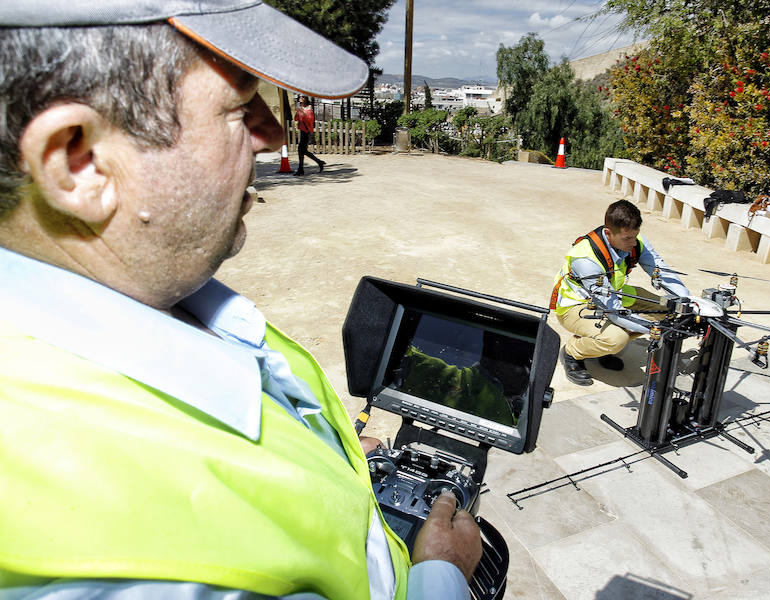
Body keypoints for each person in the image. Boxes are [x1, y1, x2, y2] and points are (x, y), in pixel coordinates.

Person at [0, 1, 481, 599]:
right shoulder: (133, 577)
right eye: (238, 105)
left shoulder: (155, 293)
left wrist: (323, 459)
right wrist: (442, 575)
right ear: (81, 162)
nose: (273, 132)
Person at [549, 199, 690, 384]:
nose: (633, 243)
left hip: (613, 294)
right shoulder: (585, 259)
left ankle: (599, 345)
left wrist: (686, 299)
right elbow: (613, 311)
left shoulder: (634, 239)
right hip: (575, 305)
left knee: (668, 311)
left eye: (635, 236)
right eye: (627, 239)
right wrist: (652, 328)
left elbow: (659, 269)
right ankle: (573, 352)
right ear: (608, 233)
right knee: (616, 339)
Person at [294, 95, 325, 175]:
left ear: (306, 98)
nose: (300, 98)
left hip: (306, 131)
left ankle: (301, 169)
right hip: (302, 130)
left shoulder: (309, 108)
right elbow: (296, 119)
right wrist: (298, 112)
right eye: (300, 97)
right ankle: (318, 162)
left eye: (302, 97)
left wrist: (301, 112)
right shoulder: (300, 107)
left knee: (301, 150)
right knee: (303, 150)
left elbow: (310, 120)